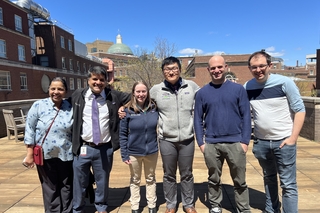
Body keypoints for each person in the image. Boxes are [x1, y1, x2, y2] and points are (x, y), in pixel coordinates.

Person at [244, 51, 306, 213]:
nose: (258, 70)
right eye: (254, 67)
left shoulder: (285, 82)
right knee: (269, 179)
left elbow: (299, 110)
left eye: (262, 66)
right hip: (261, 143)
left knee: (288, 184)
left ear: (270, 66)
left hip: (284, 142)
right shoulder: (248, 87)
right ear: (250, 68)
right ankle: (272, 210)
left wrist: (293, 138)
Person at [193, 55, 252, 213]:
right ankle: (215, 205)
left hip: (236, 142)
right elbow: (197, 119)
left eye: (220, 67)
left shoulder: (238, 90)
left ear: (226, 67)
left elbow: (246, 115)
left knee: (240, 180)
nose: (216, 70)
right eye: (213, 68)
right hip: (211, 143)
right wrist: (201, 143)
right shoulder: (202, 93)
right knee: (214, 179)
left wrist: (245, 141)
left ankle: (243, 208)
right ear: (208, 70)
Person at [71, 66, 130, 213]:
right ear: (88, 80)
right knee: (79, 181)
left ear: (106, 81)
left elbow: (136, 96)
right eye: (94, 79)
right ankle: (77, 208)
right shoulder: (78, 95)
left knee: (102, 180)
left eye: (101, 80)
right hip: (83, 147)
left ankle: (101, 206)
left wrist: (124, 108)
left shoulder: (113, 96)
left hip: (104, 148)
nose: (98, 82)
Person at [149, 56, 200, 213]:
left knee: (187, 174)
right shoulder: (156, 90)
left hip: (187, 139)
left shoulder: (191, 86)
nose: (171, 72)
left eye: (174, 68)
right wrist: (123, 108)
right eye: (167, 69)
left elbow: (207, 100)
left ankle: (188, 204)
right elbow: (140, 102)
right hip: (166, 139)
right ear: (163, 72)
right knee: (169, 174)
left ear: (179, 69)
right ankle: (171, 205)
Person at [23, 77, 73, 213]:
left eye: (60, 89)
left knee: (67, 185)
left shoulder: (70, 106)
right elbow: (29, 129)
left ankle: (67, 211)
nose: (56, 92)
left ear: (66, 91)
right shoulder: (39, 105)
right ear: (49, 89)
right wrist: (29, 154)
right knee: (50, 187)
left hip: (66, 154)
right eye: (53, 88)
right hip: (45, 155)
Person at [119, 81, 159, 213]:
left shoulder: (154, 108)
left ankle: (152, 204)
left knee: (150, 178)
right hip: (134, 152)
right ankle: (135, 206)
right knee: (135, 179)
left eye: (143, 91)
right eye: (138, 91)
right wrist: (124, 154)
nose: (141, 94)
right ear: (133, 93)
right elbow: (123, 134)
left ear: (147, 92)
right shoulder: (127, 111)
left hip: (152, 151)